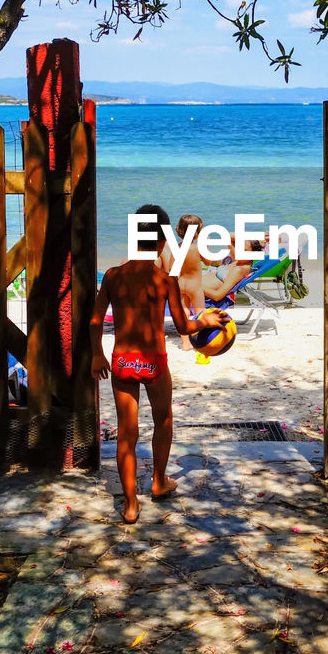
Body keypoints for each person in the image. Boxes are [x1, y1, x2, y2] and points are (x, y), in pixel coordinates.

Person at [90, 204, 229, 523]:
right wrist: (205, 320)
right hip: (153, 361)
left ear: (133, 236)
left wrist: (97, 354)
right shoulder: (164, 279)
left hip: (123, 360)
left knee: (127, 431)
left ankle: (129, 504)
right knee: (163, 418)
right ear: (164, 241)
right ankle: (158, 481)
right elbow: (183, 327)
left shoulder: (112, 276)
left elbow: (96, 320)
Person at [162, 213, 206, 350]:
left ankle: (186, 343)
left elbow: (171, 269)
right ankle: (200, 341)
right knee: (200, 313)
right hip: (195, 285)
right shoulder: (198, 248)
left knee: (183, 313)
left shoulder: (177, 248)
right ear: (197, 233)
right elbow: (209, 262)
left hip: (180, 284)